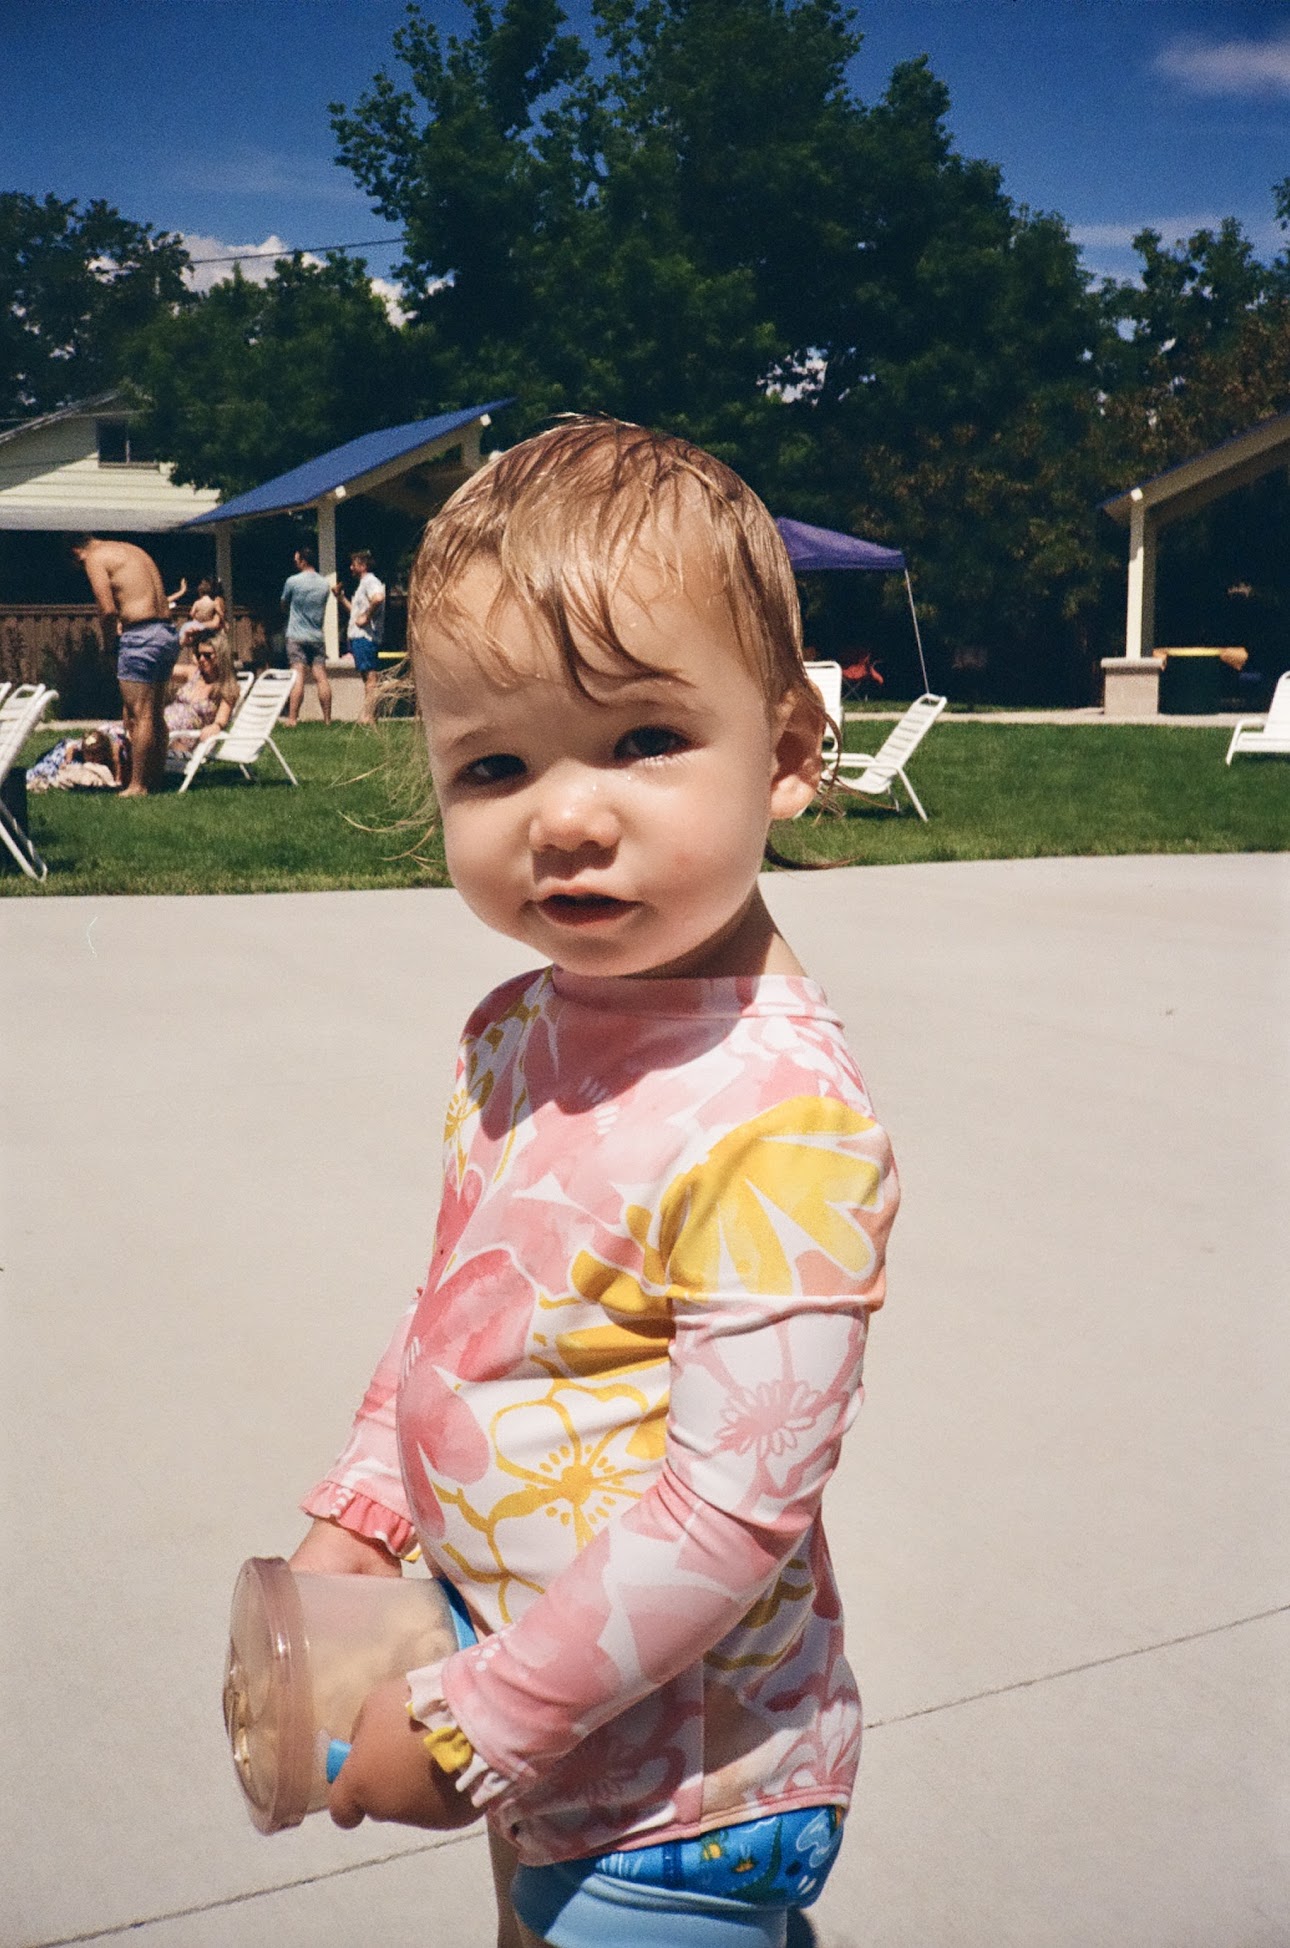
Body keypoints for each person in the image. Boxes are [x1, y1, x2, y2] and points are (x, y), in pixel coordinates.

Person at [287, 419, 899, 1948]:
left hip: (687, 1796)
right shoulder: (516, 1031)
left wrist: (470, 1726)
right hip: (548, 1740)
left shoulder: (778, 1125)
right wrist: (365, 1514)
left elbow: (730, 1511)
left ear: (792, 753)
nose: (560, 815)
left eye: (640, 741)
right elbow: (454, 1312)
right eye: (492, 764)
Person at [70, 534, 179, 796]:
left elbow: (107, 610)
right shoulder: (131, 550)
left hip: (141, 635)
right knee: (154, 714)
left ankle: (138, 785)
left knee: (137, 715)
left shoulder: (95, 558)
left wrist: (110, 646)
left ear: (76, 552)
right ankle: (154, 780)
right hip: (166, 632)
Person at [163, 632, 240, 764]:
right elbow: (162, 668)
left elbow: (221, 721)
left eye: (207, 655)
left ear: (221, 656)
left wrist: (215, 727)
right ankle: (118, 779)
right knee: (119, 731)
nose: (202, 659)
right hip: (163, 725)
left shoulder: (226, 687)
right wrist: (180, 644)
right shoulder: (192, 673)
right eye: (199, 655)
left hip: (179, 739)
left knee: (138, 733)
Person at [281, 545, 334, 726]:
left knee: (298, 675)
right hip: (317, 636)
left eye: (297, 559)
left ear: (303, 560)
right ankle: (327, 719)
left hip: (296, 635)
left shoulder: (293, 582)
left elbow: (284, 604)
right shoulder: (324, 584)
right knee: (321, 675)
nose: (295, 562)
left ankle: (292, 718)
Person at [332, 548, 385, 723]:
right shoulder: (362, 584)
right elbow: (355, 613)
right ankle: (369, 714)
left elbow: (378, 598)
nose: (350, 568)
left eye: (353, 564)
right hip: (358, 636)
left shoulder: (370, 581)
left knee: (370, 675)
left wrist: (367, 617)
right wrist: (340, 598)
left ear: (362, 565)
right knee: (366, 675)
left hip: (366, 637)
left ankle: (369, 715)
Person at [176, 577, 227, 655]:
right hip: (206, 629)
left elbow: (215, 623)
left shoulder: (212, 601)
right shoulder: (211, 602)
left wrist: (196, 621)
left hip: (206, 631)